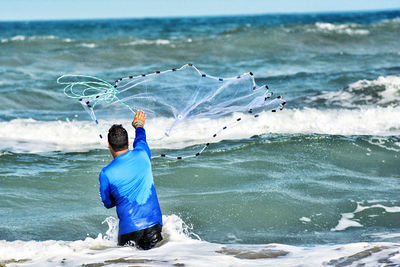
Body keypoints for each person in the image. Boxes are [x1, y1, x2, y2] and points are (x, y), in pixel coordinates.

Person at [99, 110, 163, 250]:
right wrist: (139, 125)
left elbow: (108, 203)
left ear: (109, 145)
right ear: (128, 142)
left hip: (128, 232)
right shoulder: (143, 154)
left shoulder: (106, 173)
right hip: (154, 226)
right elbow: (141, 139)